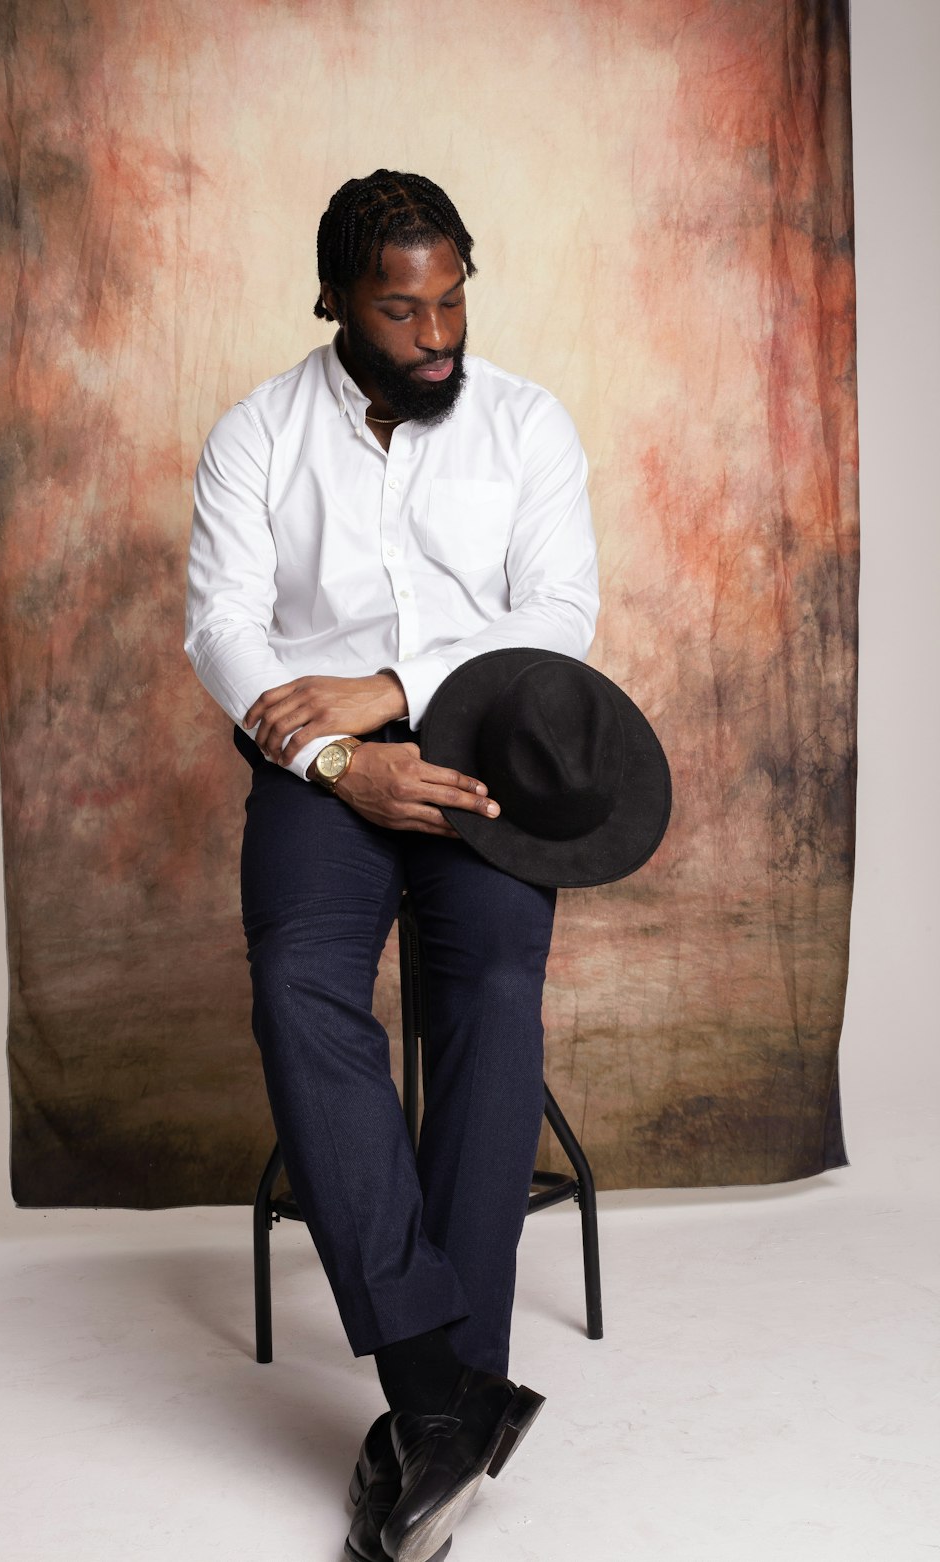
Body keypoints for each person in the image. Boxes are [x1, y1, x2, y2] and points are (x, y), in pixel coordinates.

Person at [185, 169, 600, 1562]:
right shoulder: (255, 435)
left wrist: (386, 685)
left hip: (486, 749)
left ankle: (432, 1405)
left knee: (489, 986)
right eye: (401, 310)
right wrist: (334, 758)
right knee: (300, 983)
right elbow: (226, 632)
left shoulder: (528, 423)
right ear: (334, 305)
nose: (436, 335)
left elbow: (557, 617)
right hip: (318, 773)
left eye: (451, 302)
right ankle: (443, 1393)